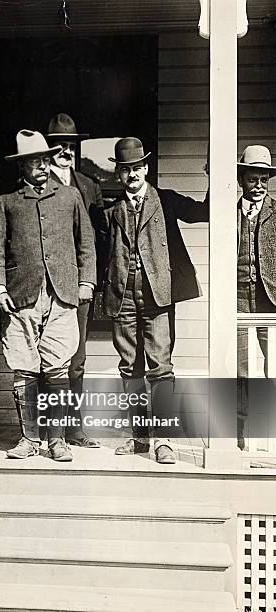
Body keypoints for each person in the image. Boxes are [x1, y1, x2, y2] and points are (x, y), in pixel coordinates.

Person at [96, 137, 209, 464]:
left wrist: (212, 177)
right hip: (123, 298)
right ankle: (140, 439)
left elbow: (204, 212)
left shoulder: (167, 201)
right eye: (126, 169)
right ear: (118, 173)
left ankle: (165, 442)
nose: (132, 174)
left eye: (137, 167)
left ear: (146, 168)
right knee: (130, 368)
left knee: (160, 368)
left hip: (158, 297)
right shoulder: (110, 211)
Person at [0, 130, 96, 461]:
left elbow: (86, 244)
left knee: (58, 369)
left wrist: (86, 282)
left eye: (45, 160)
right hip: (22, 298)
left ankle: (57, 440)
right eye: (34, 162)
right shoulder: (7, 203)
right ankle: (29, 439)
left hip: (62, 295)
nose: (42, 167)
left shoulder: (70, 197)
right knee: (23, 369)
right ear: (22, 166)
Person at [46, 112, 102, 448]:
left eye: (70, 145)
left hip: (79, 286)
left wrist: (92, 281)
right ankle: (44, 432)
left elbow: (98, 239)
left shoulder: (89, 186)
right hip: (45, 289)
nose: (66, 151)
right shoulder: (36, 185)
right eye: (58, 146)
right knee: (48, 362)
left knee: (77, 361)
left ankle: (74, 430)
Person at [236, 145, 276, 450]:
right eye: (253, 178)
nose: (259, 185)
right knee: (240, 370)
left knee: (273, 366)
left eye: (264, 179)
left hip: (270, 301)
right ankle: (239, 433)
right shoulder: (229, 214)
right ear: (241, 179)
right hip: (236, 300)